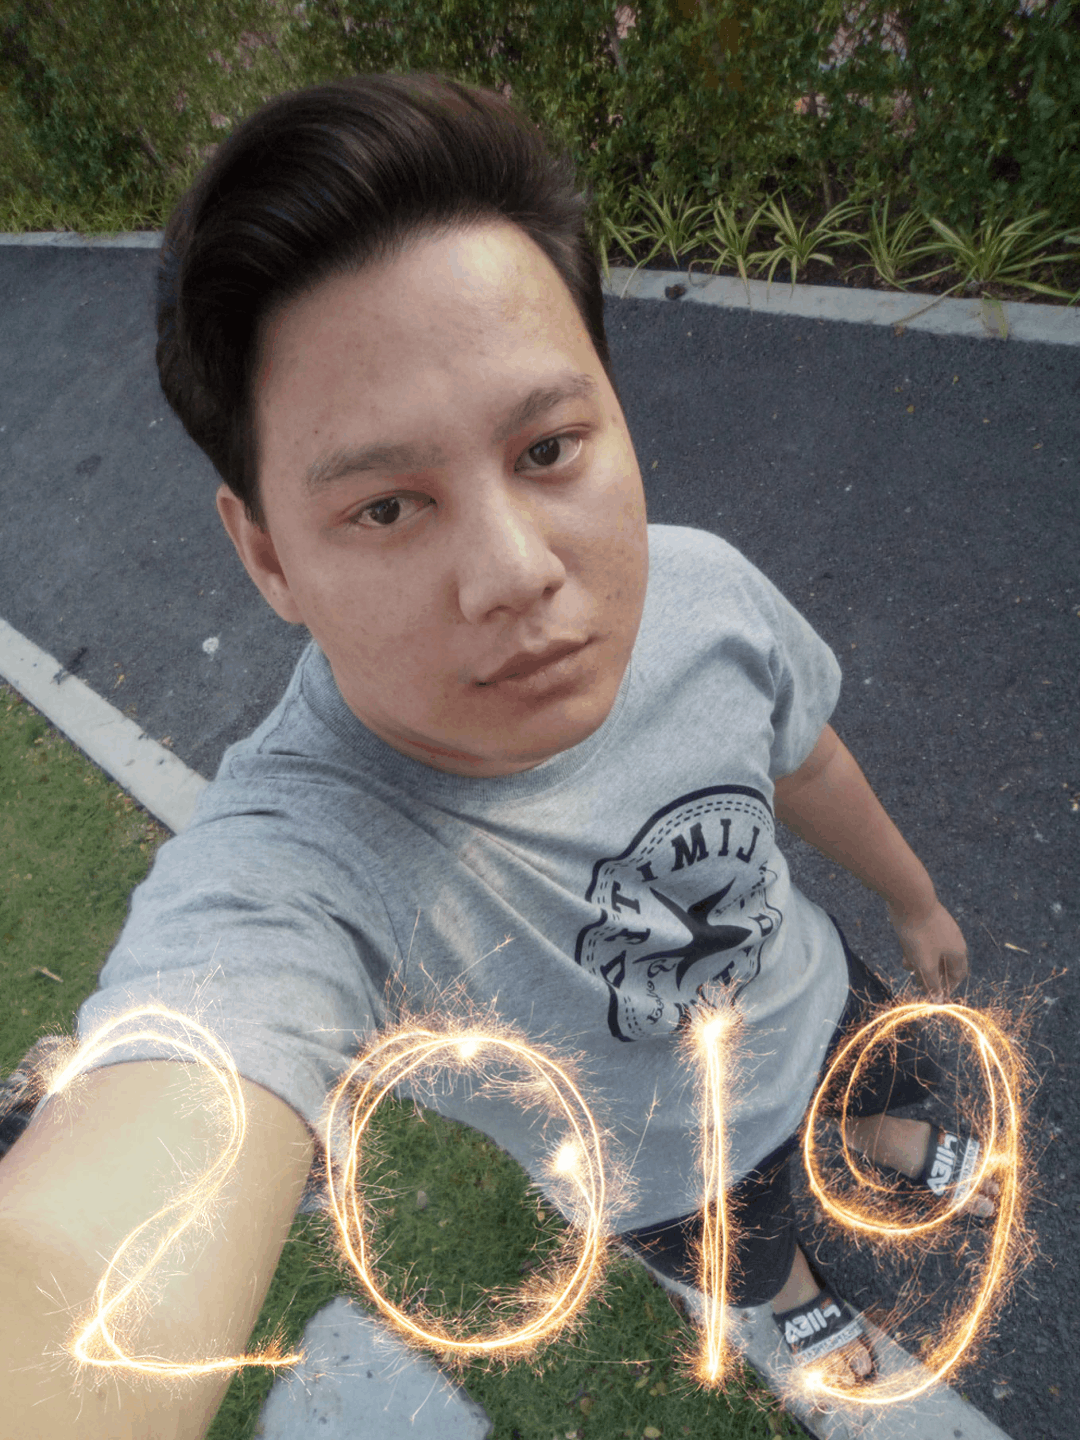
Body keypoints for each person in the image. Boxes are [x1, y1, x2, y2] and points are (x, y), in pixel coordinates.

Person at [0, 72, 996, 1438]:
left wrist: (914, 898)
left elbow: (802, 760)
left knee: (866, 1081)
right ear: (267, 554)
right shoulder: (304, 856)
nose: (516, 572)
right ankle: (798, 1299)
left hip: (813, 992)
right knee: (751, 1251)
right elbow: (104, 1225)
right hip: (668, 1177)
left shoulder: (702, 592)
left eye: (548, 447)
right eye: (388, 506)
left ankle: (881, 1138)